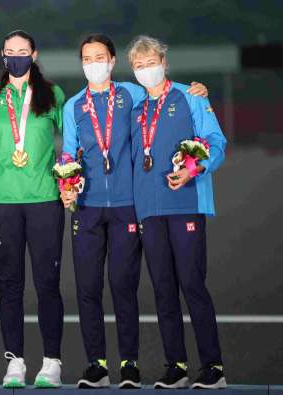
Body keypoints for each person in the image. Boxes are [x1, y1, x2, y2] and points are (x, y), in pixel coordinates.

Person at [61, 33, 208, 389]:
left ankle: (129, 364)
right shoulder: (73, 106)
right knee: (88, 288)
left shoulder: (132, 92)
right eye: (87, 57)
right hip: (87, 206)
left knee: (123, 286)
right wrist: (66, 188)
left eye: (100, 56)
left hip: (129, 205)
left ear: (112, 61)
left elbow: (165, 91)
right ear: (81, 63)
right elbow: (68, 153)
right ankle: (96, 364)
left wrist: (195, 89)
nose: (93, 63)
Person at [128, 35, 226, 389]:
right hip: (149, 211)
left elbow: (217, 143)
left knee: (191, 284)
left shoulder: (191, 96)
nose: (146, 70)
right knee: (163, 289)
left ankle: (213, 367)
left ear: (164, 63)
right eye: (138, 66)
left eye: (151, 62)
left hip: (185, 204)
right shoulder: (136, 107)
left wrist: (193, 169)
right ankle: (177, 366)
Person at [0, 30, 66, 388]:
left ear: (34, 55)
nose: (15, 57)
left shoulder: (53, 94)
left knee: (47, 283)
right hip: (1, 201)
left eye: (22, 51)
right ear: (2, 55)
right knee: (9, 284)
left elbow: (73, 137)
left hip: (45, 199)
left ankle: (51, 362)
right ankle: (15, 361)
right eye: (9, 51)